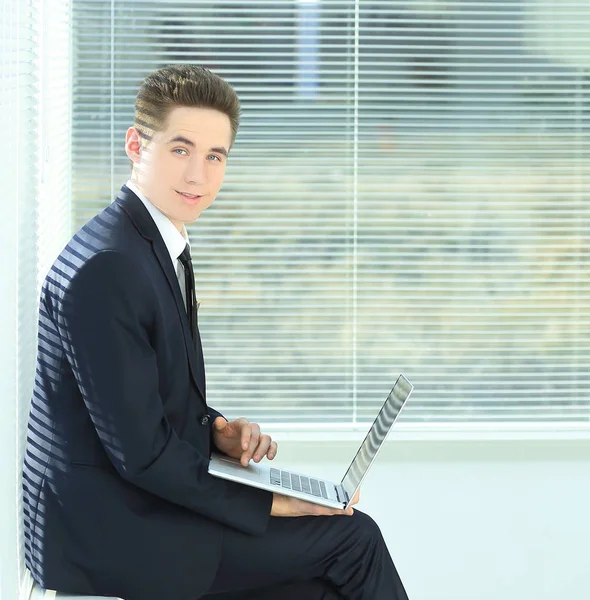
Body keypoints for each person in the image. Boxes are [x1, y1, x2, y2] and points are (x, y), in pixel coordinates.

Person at [22, 64, 410, 600]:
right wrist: (278, 500)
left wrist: (214, 431)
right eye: (181, 149)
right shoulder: (110, 267)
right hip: (112, 532)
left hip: (136, 505)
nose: (198, 176)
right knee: (353, 540)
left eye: (215, 156)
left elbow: (138, 404)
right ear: (136, 145)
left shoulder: (152, 243)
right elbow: (144, 454)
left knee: (324, 587)